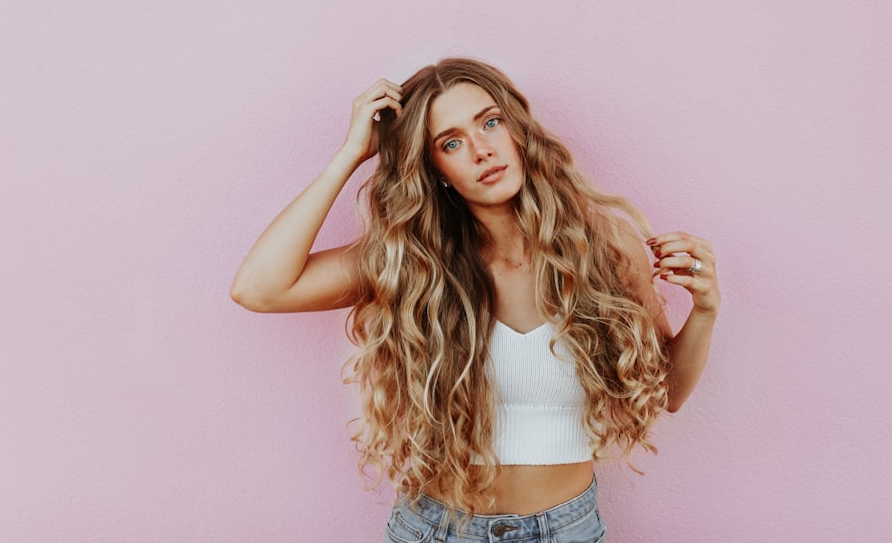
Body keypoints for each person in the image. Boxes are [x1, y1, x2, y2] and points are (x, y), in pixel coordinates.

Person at [231, 58, 720, 542]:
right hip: (437, 529)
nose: (482, 150)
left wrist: (704, 310)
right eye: (452, 142)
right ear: (435, 169)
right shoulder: (413, 262)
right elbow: (260, 288)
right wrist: (352, 153)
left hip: (566, 530)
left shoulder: (605, 247)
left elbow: (668, 394)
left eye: (490, 122)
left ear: (518, 129)